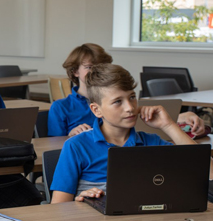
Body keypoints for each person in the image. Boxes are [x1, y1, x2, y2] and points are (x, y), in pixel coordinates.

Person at [50, 63, 213, 205]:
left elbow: (208, 171)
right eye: (117, 101)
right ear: (96, 110)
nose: (130, 107)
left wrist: (168, 125)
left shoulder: (152, 142)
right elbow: (58, 207)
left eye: (132, 97)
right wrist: (80, 201)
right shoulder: (76, 146)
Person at [48, 43, 205, 137]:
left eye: (101, 66)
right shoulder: (61, 107)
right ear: (75, 71)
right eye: (89, 67)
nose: (97, 71)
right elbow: (51, 149)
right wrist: (70, 135)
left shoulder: (126, 103)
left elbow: (147, 120)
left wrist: (186, 115)